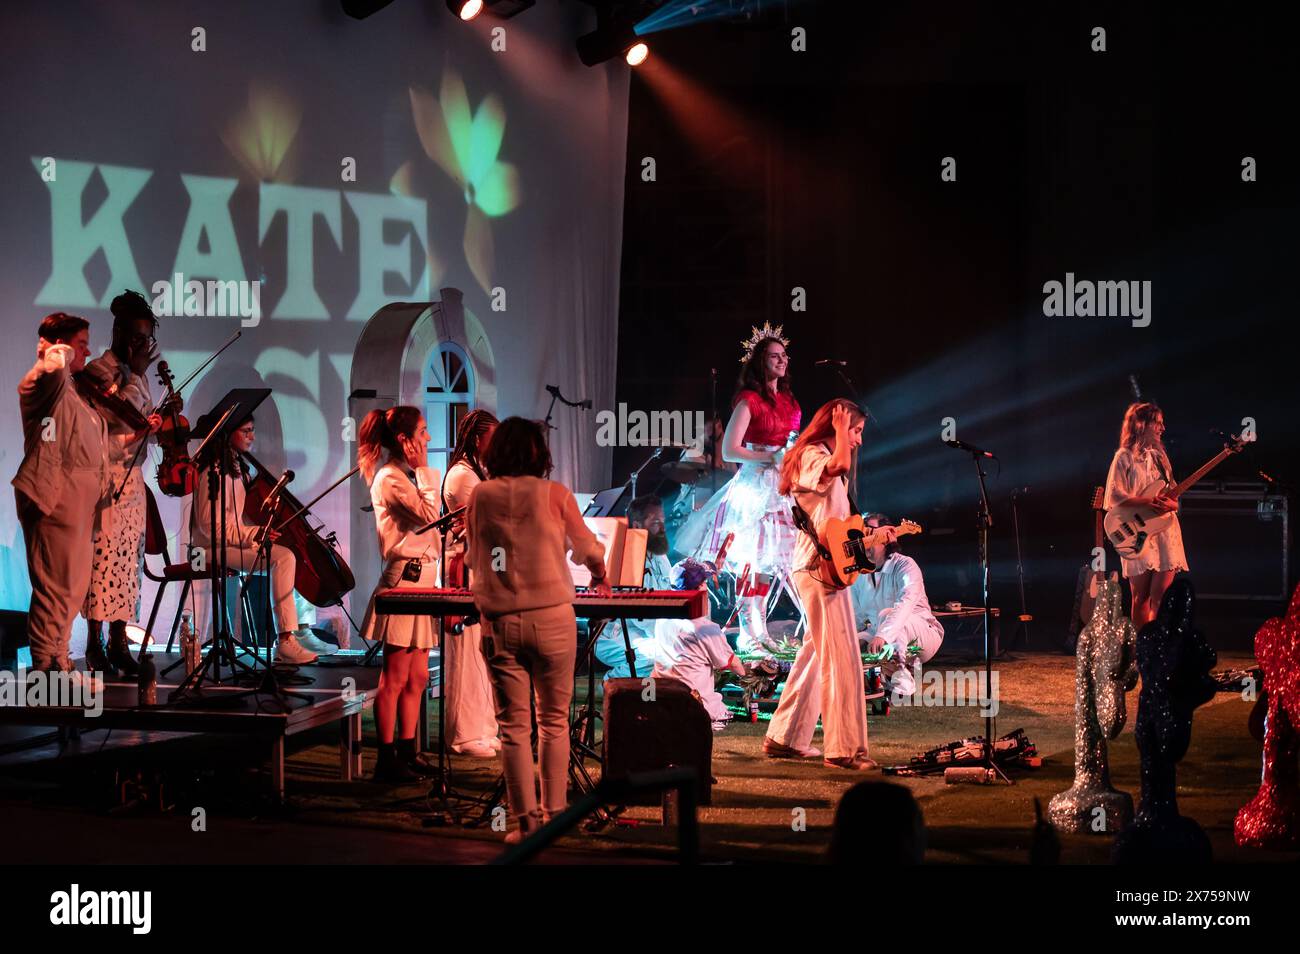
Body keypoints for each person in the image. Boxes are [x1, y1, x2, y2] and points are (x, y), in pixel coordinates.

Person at [466, 417, 609, 842]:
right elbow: (588, 549)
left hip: (501, 620)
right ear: (539, 454)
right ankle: (556, 818)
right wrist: (600, 573)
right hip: (552, 618)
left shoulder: (481, 495)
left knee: (512, 728)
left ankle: (526, 825)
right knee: (553, 723)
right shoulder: (555, 494)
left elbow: (476, 556)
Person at [764, 399, 889, 771]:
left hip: (825, 568)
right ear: (836, 425)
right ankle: (843, 750)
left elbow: (836, 527)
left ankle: (783, 737)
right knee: (841, 657)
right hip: (817, 570)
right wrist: (839, 432)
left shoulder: (820, 455)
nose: (859, 440)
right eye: (857, 430)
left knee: (817, 654)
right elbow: (838, 465)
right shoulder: (811, 455)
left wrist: (871, 535)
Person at [677, 325, 801, 653]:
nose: (781, 360)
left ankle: (758, 627)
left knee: (770, 561)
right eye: (774, 356)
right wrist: (768, 455)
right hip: (754, 488)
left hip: (781, 487)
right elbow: (731, 450)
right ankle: (748, 628)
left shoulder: (789, 401)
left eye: (784, 356)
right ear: (760, 362)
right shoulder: (749, 400)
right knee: (751, 557)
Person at [12, 313, 109, 673]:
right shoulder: (42, 381)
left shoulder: (72, 391)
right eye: (81, 344)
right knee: (54, 585)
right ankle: (45, 663)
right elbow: (53, 368)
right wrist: (59, 349)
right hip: (54, 495)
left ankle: (58, 656)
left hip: (79, 502)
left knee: (73, 586)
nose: (87, 351)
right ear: (60, 346)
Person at [189, 415, 324, 665]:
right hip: (206, 550)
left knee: (290, 551)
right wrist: (254, 533)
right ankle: (285, 641)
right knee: (283, 558)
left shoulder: (238, 471)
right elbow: (210, 528)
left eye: (253, 430)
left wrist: (259, 529)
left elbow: (236, 522)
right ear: (228, 434)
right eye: (246, 431)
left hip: (230, 543)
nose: (252, 436)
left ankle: (300, 630)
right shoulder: (214, 473)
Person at [81, 290, 167, 678]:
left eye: (146, 339)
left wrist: (159, 423)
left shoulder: (140, 376)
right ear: (117, 331)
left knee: (128, 566)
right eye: (135, 337)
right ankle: (94, 643)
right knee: (103, 563)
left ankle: (119, 641)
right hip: (107, 482)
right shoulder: (100, 371)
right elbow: (119, 421)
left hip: (134, 482)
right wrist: (133, 375)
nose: (141, 346)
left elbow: (143, 421)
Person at [357, 406, 442, 783]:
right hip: (404, 580)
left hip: (423, 581)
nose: (427, 439)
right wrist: (424, 470)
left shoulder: (402, 475)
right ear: (405, 440)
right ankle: (386, 758)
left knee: (418, 675)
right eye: (422, 432)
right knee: (394, 676)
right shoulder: (390, 477)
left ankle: (409, 751)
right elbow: (428, 514)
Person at [439, 409, 501, 759]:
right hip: (462, 573)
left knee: (483, 654)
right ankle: (464, 734)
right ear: (478, 440)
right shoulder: (463, 476)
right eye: (493, 439)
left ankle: (485, 728)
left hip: (479, 571)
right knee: (466, 656)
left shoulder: (479, 472)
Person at [1103, 402, 1186, 629]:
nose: (1163, 428)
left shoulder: (1161, 458)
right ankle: (1142, 650)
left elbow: (1173, 495)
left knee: (1163, 597)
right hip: (1137, 530)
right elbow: (1114, 495)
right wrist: (1149, 501)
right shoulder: (1124, 457)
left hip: (1165, 530)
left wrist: (1171, 504)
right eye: (1157, 423)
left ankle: (1159, 649)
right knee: (1141, 597)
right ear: (1141, 425)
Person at [851, 513, 944, 698]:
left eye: (869, 533)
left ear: (886, 538)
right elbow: (856, 617)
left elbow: (905, 605)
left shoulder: (906, 565)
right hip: (881, 634)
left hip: (922, 634)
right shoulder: (859, 575)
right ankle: (867, 681)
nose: (864, 540)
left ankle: (901, 678)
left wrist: (883, 635)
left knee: (888, 614)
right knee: (853, 643)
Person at [651, 557, 746, 731]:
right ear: (699, 589)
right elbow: (735, 666)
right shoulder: (706, 628)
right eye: (704, 583)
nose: (707, 588)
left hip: (663, 706)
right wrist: (756, 672)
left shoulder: (661, 620)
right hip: (698, 709)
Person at [593, 493, 671, 679]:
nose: (662, 527)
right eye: (655, 522)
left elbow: (671, 592)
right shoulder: (629, 559)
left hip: (643, 630)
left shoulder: (659, 554)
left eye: (663, 520)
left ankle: (645, 695)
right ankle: (609, 685)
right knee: (654, 658)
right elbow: (641, 616)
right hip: (613, 634)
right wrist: (672, 639)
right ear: (637, 526)